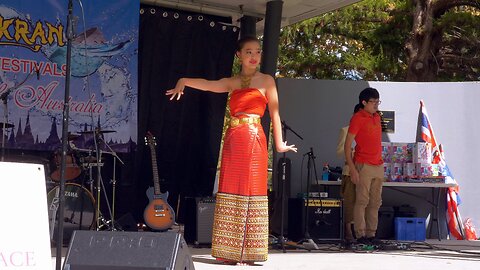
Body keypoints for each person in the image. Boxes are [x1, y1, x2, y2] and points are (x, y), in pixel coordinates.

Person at [166, 36, 297, 265]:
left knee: (251, 191)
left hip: (254, 139)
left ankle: (250, 251)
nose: (254, 56)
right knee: (231, 191)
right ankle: (230, 251)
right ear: (239, 55)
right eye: (248, 52)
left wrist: (279, 144)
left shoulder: (267, 81)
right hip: (234, 139)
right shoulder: (232, 82)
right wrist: (184, 80)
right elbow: (208, 84)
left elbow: (275, 113)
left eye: (257, 51)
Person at [344, 87, 384, 245]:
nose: (376, 105)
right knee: (362, 201)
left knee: (375, 202)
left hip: (378, 164)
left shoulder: (377, 117)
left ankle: (371, 234)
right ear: (364, 102)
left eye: (377, 101)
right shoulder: (357, 118)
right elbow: (348, 146)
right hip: (363, 164)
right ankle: (360, 235)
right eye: (373, 102)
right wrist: (353, 169)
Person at [336, 104, 361, 244]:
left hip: (365, 171)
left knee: (363, 202)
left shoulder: (369, 130)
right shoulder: (346, 130)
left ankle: (361, 231)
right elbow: (339, 151)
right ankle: (348, 231)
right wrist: (350, 150)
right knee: (350, 202)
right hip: (350, 171)